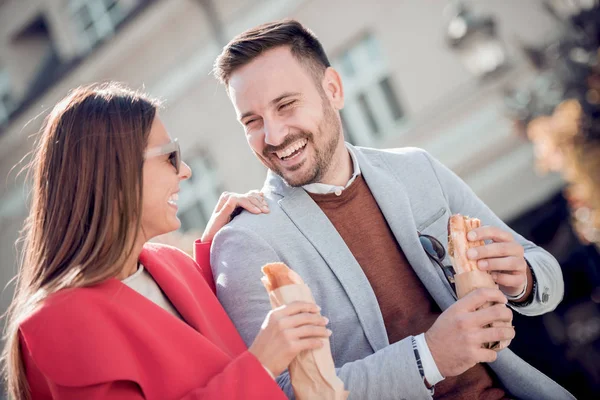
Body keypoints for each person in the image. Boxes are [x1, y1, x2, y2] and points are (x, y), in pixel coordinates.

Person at [209, 19, 575, 400]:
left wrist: (523, 280)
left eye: (285, 105)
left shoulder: (417, 169)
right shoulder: (245, 242)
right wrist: (428, 358)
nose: (273, 135)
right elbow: (281, 393)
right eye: (252, 122)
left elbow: (547, 275)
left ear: (332, 89)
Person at [1, 83, 331, 400]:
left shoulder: (168, 262)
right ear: (116, 173)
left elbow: (186, 341)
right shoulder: (60, 325)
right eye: (169, 156)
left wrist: (215, 247)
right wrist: (261, 363)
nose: (184, 170)